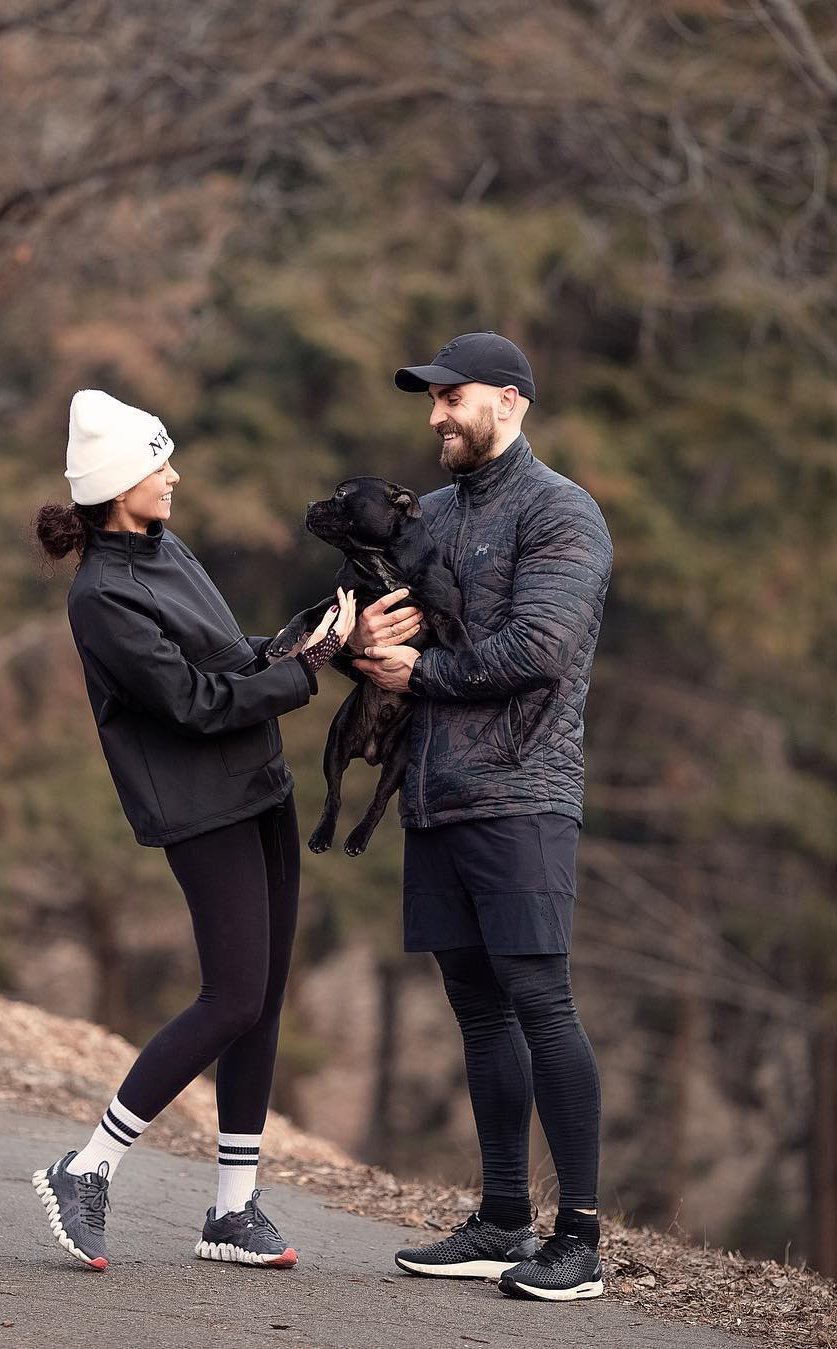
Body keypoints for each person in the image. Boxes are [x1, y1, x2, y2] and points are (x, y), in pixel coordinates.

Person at [31, 388, 355, 1272]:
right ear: (118, 484)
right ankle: (87, 1166)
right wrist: (308, 671)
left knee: (264, 998)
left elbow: (229, 658)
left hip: (262, 785)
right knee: (232, 997)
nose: (174, 475)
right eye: (158, 463)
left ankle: (232, 1209)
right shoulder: (101, 595)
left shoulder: (166, 548)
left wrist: (315, 636)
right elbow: (193, 701)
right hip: (201, 808)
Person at [351, 333, 613, 1302]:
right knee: (476, 1005)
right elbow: (388, 640)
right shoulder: (431, 514)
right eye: (430, 400)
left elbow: (541, 648)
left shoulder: (562, 512)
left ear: (509, 400)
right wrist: (365, 640)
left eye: (451, 397)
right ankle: (504, 1217)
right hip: (434, 795)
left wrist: (420, 670)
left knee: (541, 998)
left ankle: (579, 1238)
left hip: (523, 793)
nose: (436, 416)